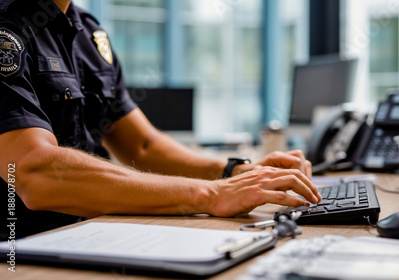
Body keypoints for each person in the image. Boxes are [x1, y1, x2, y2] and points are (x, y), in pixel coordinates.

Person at [0, 0, 321, 240]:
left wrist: (234, 172)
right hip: (19, 256)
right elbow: (32, 169)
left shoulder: (86, 30)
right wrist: (211, 194)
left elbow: (142, 145)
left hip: (89, 236)